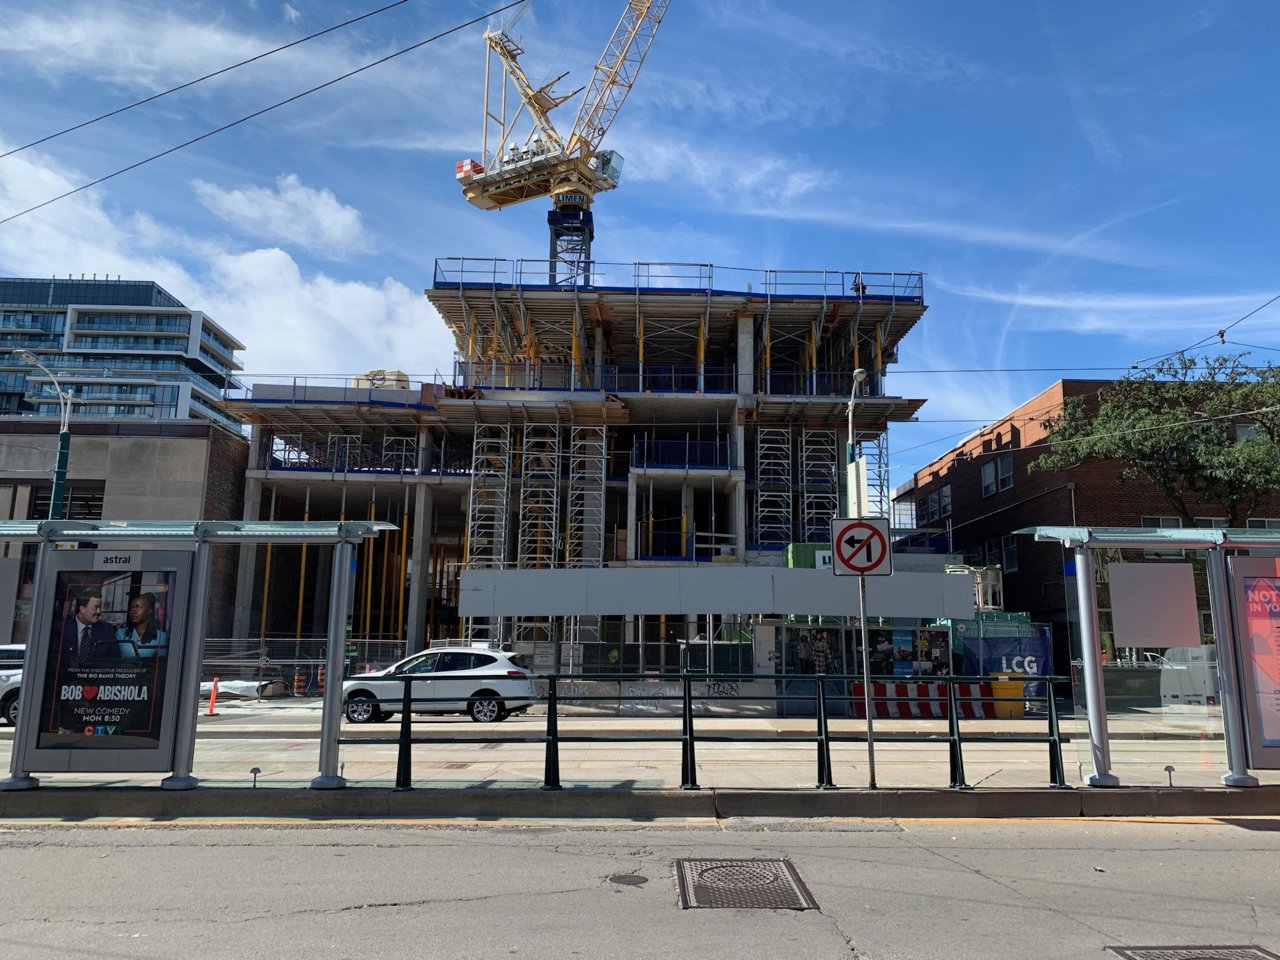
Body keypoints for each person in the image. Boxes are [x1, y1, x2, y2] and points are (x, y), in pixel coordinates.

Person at [55, 588, 118, 669]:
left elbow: (115, 662)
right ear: (82, 609)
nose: (99, 611)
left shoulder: (107, 630)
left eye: (100, 607)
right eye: (96, 607)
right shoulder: (62, 628)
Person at [116, 592, 169, 658]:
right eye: (131, 608)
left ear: (149, 610)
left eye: (138, 607)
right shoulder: (120, 633)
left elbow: (161, 663)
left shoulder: (161, 637)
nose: (133, 611)